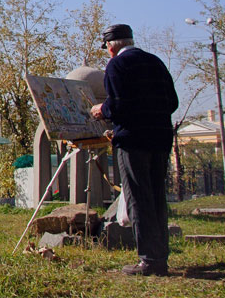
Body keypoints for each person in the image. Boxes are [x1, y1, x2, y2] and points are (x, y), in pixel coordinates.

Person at [90, 24, 178, 276]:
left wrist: (101, 110)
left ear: (110, 46)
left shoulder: (117, 66)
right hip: (160, 139)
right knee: (157, 198)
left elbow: (118, 105)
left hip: (133, 141)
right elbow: (172, 102)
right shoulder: (155, 62)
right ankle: (160, 256)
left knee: (139, 199)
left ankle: (150, 261)